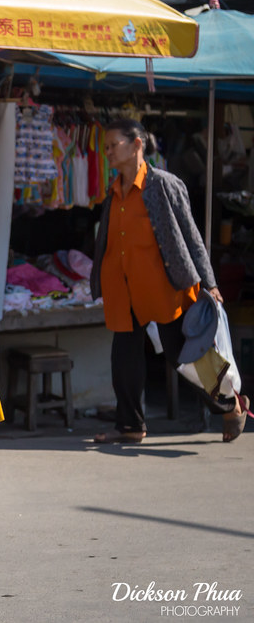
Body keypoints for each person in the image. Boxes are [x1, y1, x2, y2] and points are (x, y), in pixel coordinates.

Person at [90, 118, 246, 443]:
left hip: (165, 289)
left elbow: (191, 236)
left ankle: (231, 405)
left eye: (112, 145)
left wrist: (209, 281)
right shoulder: (114, 191)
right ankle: (131, 426)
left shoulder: (162, 184)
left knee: (187, 358)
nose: (107, 152)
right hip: (125, 290)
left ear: (137, 145)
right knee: (124, 359)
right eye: (104, 147)